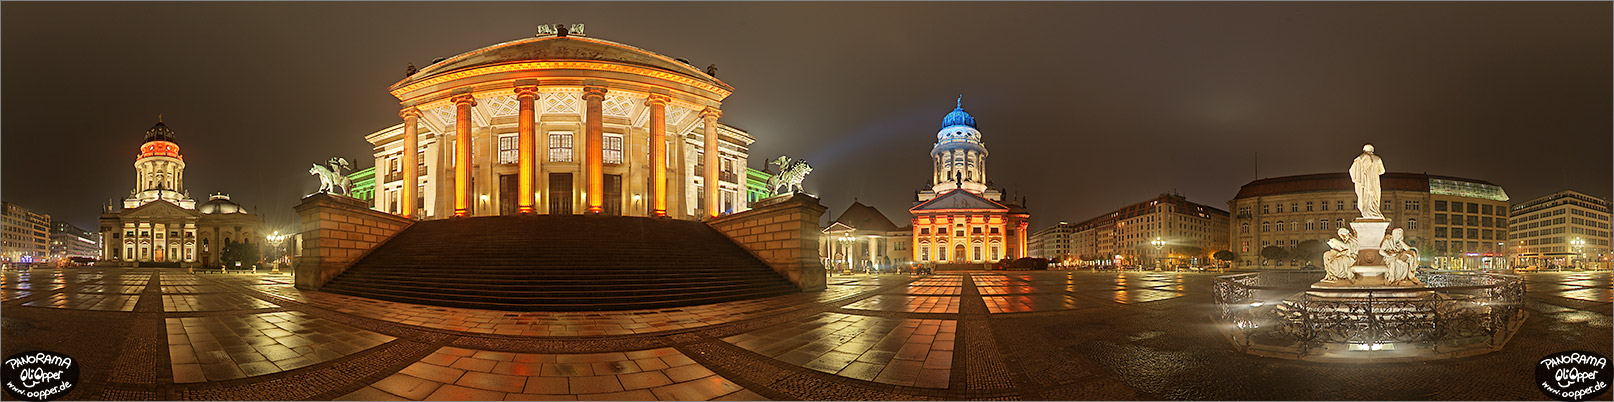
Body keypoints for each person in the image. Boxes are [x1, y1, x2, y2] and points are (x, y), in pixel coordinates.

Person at [1349, 144, 1385, 219]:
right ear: (1372, 150)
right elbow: (1382, 171)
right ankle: (1374, 211)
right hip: (1374, 182)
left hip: (1363, 183)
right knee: (1374, 196)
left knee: (1364, 196)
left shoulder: (1359, 159)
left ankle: (1366, 211)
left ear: (1364, 150)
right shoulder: (1377, 159)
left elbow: (1352, 170)